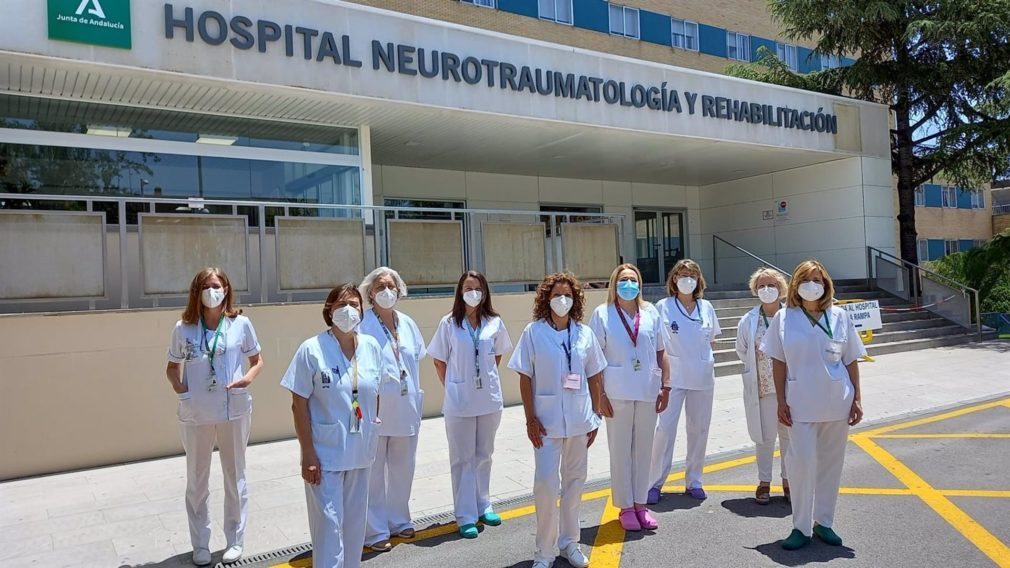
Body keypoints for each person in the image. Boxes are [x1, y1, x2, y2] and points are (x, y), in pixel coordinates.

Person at [760, 260, 865, 550]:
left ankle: (824, 522)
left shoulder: (840, 316)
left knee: (831, 464)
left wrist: (856, 398)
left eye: (817, 280)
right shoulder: (784, 317)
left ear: (826, 284)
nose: (812, 285)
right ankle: (800, 527)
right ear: (795, 285)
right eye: (805, 280)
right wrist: (781, 400)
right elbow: (777, 362)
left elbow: (851, 359)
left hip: (837, 402)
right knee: (801, 463)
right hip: (800, 403)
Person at [166, 267, 264, 566]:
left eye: (217, 285)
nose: (212, 291)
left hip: (234, 409)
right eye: (207, 286)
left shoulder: (240, 324)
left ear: (226, 289)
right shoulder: (183, 328)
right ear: (197, 291)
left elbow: (258, 360)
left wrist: (247, 379)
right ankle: (201, 544)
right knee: (197, 480)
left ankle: (235, 539)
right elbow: (172, 368)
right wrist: (184, 394)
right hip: (196, 413)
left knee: (236, 476)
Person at [281, 284, 383, 568]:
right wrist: (308, 454)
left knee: (354, 529)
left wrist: (373, 428)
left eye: (353, 304)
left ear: (362, 310)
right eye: (340, 304)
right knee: (328, 529)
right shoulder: (311, 349)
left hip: (360, 453)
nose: (348, 310)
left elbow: (376, 393)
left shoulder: (372, 347)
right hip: (325, 457)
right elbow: (298, 403)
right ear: (329, 310)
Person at [508, 272, 606, 568]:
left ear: (575, 299)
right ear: (546, 299)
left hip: (579, 420)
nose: (562, 300)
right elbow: (525, 377)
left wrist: (596, 415)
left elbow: (595, 375)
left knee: (575, 483)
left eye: (567, 295)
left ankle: (570, 543)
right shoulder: (533, 332)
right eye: (556, 295)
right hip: (546, 423)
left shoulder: (584, 333)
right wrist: (530, 420)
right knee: (547, 485)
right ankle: (544, 552)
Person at [427, 270, 513, 539]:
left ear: (484, 291)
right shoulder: (449, 323)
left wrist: (481, 379)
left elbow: (497, 356)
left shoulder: (494, 322)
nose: (472, 292)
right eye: (467, 287)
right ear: (459, 291)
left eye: (477, 287)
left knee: (484, 455)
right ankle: (465, 515)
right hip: (459, 402)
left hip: (488, 399)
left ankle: (483, 504)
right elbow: (439, 361)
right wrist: (455, 385)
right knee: (462, 459)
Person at [588, 263, 670, 531]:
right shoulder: (602, 314)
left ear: (640, 284)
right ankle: (624, 506)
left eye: (633, 280)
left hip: (647, 390)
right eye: (623, 280)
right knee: (621, 451)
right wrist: (598, 394)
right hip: (616, 392)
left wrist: (665, 386)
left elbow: (661, 350)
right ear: (614, 283)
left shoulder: (650, 313)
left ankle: (640, 503)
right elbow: (592, 358)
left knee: (644, 450)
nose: (628, 284)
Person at [358, 267, 427, 552]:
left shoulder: (408, 323)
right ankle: (374, 530)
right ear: (370, 293)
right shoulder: (361, 324)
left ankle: (399, 520)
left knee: (403, 468)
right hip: (376, 408)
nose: (387, 291)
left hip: (406, 406)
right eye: (380, 286)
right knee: (373, 472)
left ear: (399, 289)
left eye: (391, 285)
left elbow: (416, 359)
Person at [648, 259, 721, 503]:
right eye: (682, 274)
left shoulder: (706, 307)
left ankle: (694, 481)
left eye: (692, 274)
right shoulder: (663, 306)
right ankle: (654, 482)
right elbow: (657, 343)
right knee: (665, 430)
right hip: (674, 378)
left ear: (698, 280)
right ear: (674, 279)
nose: (687, 278)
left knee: (699, 430)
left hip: (701, 377)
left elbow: (712, 340)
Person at [735, 267, 791, 505]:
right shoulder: (748, 320)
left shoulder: (792, 316)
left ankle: (789, 481)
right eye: (761, 286)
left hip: (790, 387)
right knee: (764, 437)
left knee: (789, 435)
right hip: (763, 388)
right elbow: (742, 350)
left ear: (781, 288)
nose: (766, 290)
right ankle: (764, 482)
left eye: (771, 285)